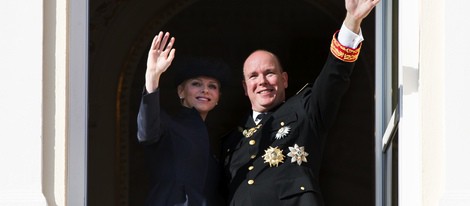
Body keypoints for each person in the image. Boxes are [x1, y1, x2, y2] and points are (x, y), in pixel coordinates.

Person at [222, 0, 380, 205]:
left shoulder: (305, 110)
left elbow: (333, 77)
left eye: (269, 73)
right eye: (253, 76)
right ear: (245, 87)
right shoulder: (231, 142)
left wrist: (352, 20)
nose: (262, 81)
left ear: (284, 79)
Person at [137, 31, 228, 206]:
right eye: (196, 84)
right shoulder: (166, 125)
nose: (205, 90)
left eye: (212, 86)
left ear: (218, 97)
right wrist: (152, 77)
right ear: (181, 92)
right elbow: (146, 132)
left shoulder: (216, 141)